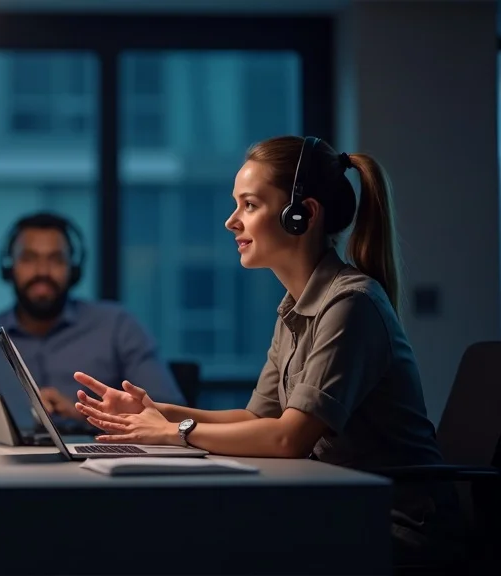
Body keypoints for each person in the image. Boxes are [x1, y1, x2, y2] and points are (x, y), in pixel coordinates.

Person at [74, 135, 464, 568]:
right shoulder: (296, 308)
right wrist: (156, 412)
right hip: (337, 507)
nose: (230, 222)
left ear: (303, 215)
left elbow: (287, 439)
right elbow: (259, 419)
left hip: (393, 525)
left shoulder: (351, 304)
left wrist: (174, 433)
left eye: (249, 205)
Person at [0, 212, 184, 431]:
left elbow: (172, 413)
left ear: (74, 269)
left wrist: (87, 415)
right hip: (3, 460)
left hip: (96, 456)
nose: (42, 271)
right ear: (9, 267)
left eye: (56, 259)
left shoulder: (117, 326)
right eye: (29, 258)